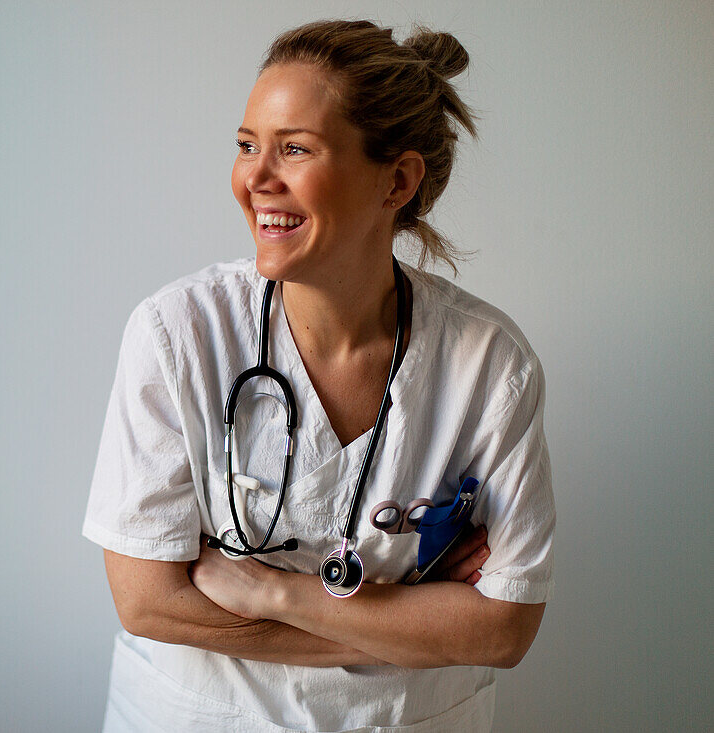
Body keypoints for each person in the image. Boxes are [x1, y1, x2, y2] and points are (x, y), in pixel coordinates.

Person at [83, 19, 554, 732]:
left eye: (294, 149)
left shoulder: (489, 365)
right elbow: (147, 600)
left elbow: (503, 632)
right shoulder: (178, 333)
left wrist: (277, 594)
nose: (255, 180)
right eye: (247, 146)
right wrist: (406, 627)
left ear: (396, 179)